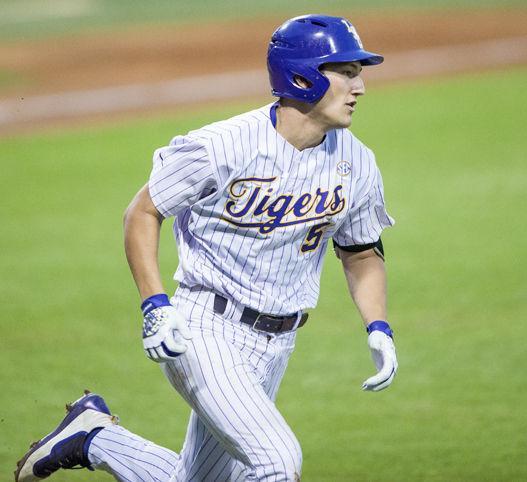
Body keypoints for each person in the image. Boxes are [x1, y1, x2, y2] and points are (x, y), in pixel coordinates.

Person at [15, 14, 398, 482]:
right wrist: (155, 305)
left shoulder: (357, 162)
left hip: (277, 345)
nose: (359, 87)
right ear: (303, 76)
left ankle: (93, 436)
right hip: (204, 329)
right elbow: (142, 212)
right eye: (346, 72)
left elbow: (360, 252)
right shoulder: (220, 147)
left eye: (359, 73)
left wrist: (378, 326)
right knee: (277, 462)